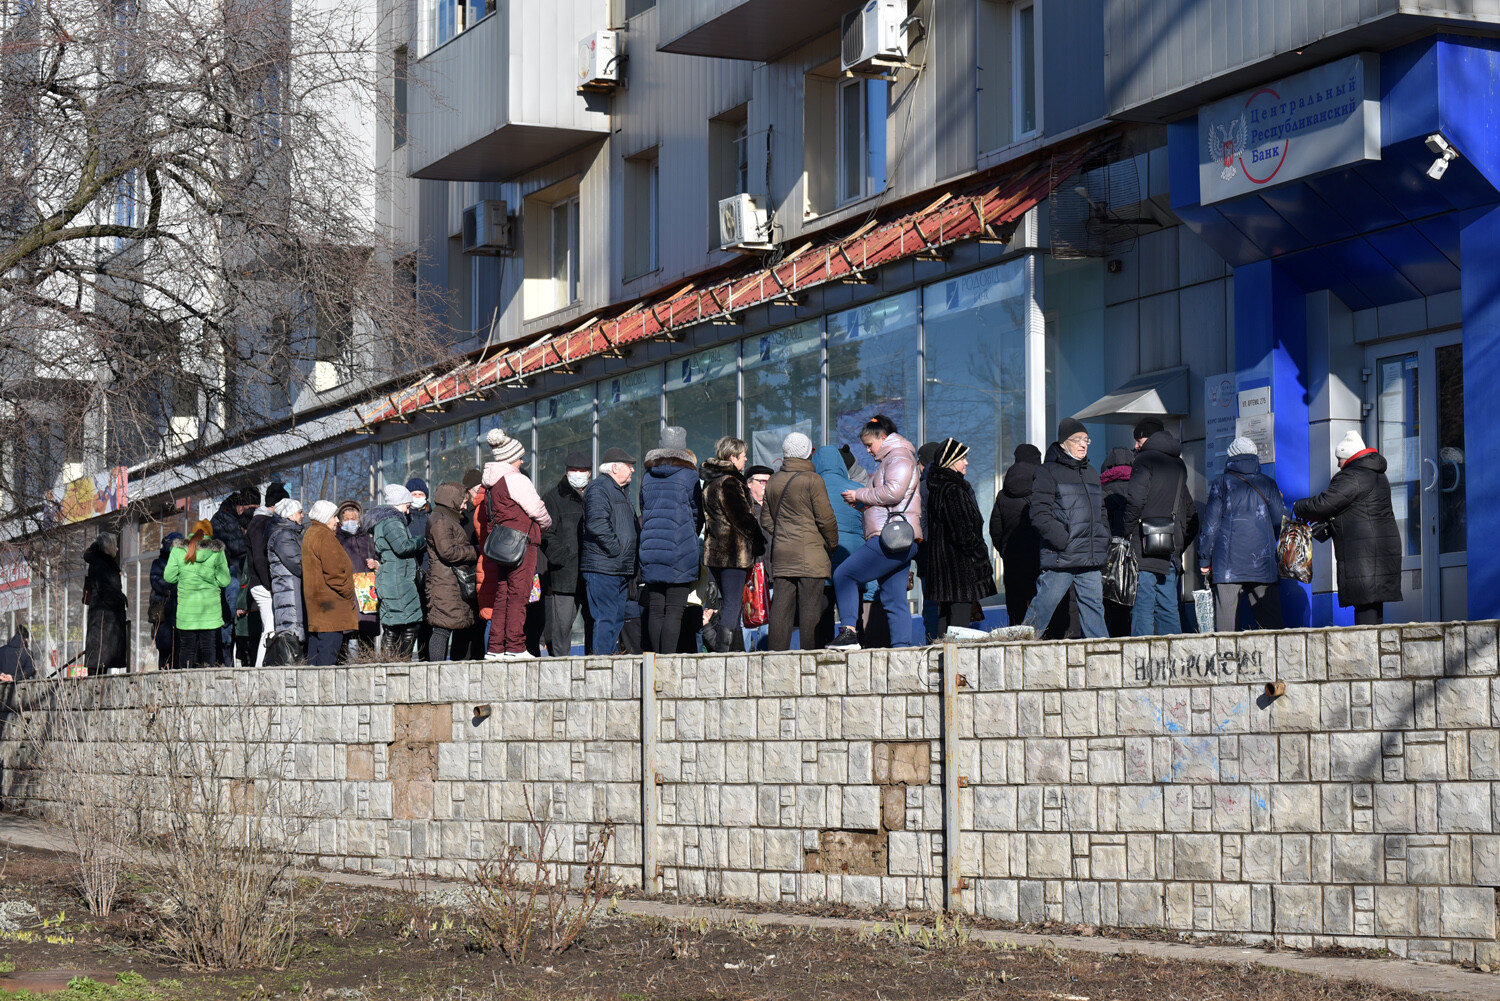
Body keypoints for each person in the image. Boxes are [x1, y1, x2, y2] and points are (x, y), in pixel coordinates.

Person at [827, 415, 922, 651]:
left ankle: (848, 634)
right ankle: (902, 648)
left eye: (870, 444)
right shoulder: (893, 459)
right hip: (897, 538)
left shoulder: (898, 456)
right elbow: (889, 499)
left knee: (844, 575)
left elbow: (893, 493)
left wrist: (859, 495)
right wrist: (860, 504)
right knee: (893, 598)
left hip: (889, 538)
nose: (868, 450)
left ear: (883, 436)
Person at [1293, 430, 1402, 625]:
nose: (1338, 464)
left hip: (1364, 551)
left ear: (1349, 457)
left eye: (1339, 458)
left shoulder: (1354, 476)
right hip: (1380, 547)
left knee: (1365, 605)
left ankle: (1367, 652)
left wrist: (1298, 506)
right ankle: (1376, 652)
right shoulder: (1377, 474)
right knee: (1373, 605)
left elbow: (1325, 503)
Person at [1021, 419, 1110, 639]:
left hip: (1089, 559)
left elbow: (1101, 511)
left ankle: (1103, 660)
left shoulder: (1090, 472)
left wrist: (1102, 537)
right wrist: (1063, 541)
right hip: (1062, 557)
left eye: (1086, 440)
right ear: (1063, 443)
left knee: (1095, 613)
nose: (1083, 444)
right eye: (1077, 440)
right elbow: (1039, 515)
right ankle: (1018, 649)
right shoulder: (1047, 472)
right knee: (1042, 607)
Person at [1199, 437, 1288, 632]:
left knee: (1226, 625)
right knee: (1271, 624)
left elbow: (1211, 525)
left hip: (1227, 563)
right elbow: (1280, 521)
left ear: (1231, 457)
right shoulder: (1268, 483)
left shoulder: (1221, 483)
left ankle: (1226, 660)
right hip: (1262, 561)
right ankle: (1276, 660)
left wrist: (1204, 559)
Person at [1122, 417, 1199, 637]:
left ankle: (1140, 659)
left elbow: (1135, 501)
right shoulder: (1178, 464)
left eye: (1139, 439)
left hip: (1145, 545)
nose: (1136, 445)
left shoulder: (1144, 460)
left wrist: (1125, 532)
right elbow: (1191, 512)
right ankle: (1173, 657)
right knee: (1168, 608)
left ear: (1148, 437)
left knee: (1143, 606)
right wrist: (1178, 543)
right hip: (1169, 547)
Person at [761, 432, 838, 651]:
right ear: (807, 453)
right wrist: (831, 544)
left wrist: (784, 535)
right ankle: (809, 659)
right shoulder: (813, 480)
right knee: (810, 609)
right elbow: (826, 519)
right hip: (812, 554)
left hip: (783, 554)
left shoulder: (774, 480)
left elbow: (766, 519)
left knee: (781, 609)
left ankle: (776, 658)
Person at [481, 428, 552, 660]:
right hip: (522, 542)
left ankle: (495, 647)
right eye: (520, 457)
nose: (522, 461)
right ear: (511, 458)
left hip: (502, 544)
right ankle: (515, 646)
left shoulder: (491, 484)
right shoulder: (515, 479)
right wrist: (546, 523)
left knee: (503, 594)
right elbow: (536, 508)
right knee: (519, 594)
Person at [638, 426, 703, 654]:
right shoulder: (689, 475)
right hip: (680, 550)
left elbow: (643, 509)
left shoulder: (647, 476)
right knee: (675, 609)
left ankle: (654, 661)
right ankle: (668, 660)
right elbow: (697, 515)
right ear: (683, 448)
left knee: (656, 608)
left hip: (651, 548)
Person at [924, 438, 997, 638]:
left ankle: (941, 661)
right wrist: (979, 552)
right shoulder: (953, 490)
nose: (967, 462)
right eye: (962, 458)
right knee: (959, 625)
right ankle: (956, 665)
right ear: (950, 461)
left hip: (945, 569)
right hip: (959, 570)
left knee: (945, 619)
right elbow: (963, 532)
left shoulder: (939, 488)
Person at [701, 436, 763, 653]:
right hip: (732, 552)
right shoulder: (729, 481)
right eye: (743, 455)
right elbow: (742, 517)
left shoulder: (711, 481)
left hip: (716, 551)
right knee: (733, 603)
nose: (746, 459)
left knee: (729, 602)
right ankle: (723, 652)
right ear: (732, 456)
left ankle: (733, 651)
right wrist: (758, 541)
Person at [580, 447, 639, 656]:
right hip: (604, 566)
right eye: (629, 466)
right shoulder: (599, 488)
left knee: (616, 617)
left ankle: (609, 657)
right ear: (614, 467)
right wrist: (617, 550)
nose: (632, 470)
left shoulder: (619, 490)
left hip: (619, 567)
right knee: (605, 616)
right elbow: (597, 524)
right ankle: (602, 663)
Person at [539, 452, 593, 657]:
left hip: (592, 572)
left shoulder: (596, 495)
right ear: (566, 471)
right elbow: (545, 533)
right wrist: (562, 556)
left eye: (582, 471)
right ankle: (559, 669)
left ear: (589, 473)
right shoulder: (553, 498)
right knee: (561, 628)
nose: (578, 474)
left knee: (594, 624)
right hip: (564, 576)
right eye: (574, 470)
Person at [368, 483, 427, 659]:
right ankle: (400, 662)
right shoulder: (392, 521)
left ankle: (389, 662)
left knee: (393, 624)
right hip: (397, 579)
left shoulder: (384, 521)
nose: (408, 511)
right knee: (411, 624)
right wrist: (421, 539)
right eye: (407, 506)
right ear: (398, 504)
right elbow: (402, 547)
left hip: (393, 577)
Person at [164, 521, 232, 669]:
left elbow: (169, 577)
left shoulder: (178, 550)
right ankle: (208, 686)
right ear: (209, 534)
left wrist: (183, 579)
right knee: (208, 648)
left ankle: (185, 685)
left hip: (186, 611)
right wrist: (212, 580)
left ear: (192, 533)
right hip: (210, 610)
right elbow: (225, 580)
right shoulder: (217, 552)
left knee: (187, 648)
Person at [425, 481, 479, 661]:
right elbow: (448, 552)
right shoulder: (440, 520)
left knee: (459, 626)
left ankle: (454, 669)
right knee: (442, 627)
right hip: (444, 583)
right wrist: (475, 551)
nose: (465, 506)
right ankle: (436, 670)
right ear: (452, 500)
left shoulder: (448, 519)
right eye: (462, 501)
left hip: (452, 582)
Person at [301, 500, 356, 666]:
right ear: (326, 518)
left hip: (318, 607)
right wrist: (348, 591)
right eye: (334, 517)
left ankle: (310, 691)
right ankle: (323, 693)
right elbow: (335, 572)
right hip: (331, 608)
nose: (337, 521)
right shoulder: (324, 536)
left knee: (315, 656)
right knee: (327, 659)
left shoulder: (310, 534)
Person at [246, 482, 289, 666]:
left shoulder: (261, 522)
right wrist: (270, 585)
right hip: (263, 583)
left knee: (270, 626)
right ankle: (261, 668)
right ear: (275, 505)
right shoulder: (260, 524)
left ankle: (264, 665)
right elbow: (259, 558)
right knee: (270, 627)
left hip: (262, 582)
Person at [211, 487, 254, 665]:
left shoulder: (229, 518)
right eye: (249, 507)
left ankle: (231, 657)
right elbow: (238, 547)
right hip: (230, 574)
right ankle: (226, 660)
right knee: (229, 619)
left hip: (234, 572)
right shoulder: (224, 519)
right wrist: (251, 541)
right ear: (239, 506)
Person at [335, 499, 381, 659]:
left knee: (367, 634)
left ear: (359, 522)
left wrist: (376, 564)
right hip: (347, 593)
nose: (350, 522)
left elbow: (380, 560)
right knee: (349, 633)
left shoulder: (368, 541)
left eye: (353, 519)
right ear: (340, 522)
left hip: (367, 594)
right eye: (346, 519)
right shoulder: (336, 541)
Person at [1100, 446, 1137, 637]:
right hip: (1136, 553)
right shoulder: (1139, 488)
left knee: (1112, 605)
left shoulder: (1101, 490)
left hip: (1109, 556)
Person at [83, 531, 128, 674]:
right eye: (115, 545)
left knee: (101, 660)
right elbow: (106, 590)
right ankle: (96, 691)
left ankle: (97, 689)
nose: (117, 549)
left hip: (105, 619)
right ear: (108, 546)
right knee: (99, 662)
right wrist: (119, 599)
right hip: (104, 620)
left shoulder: (103, 563)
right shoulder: (101, 564)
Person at [267, 498, 307, 660]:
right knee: (291, 639)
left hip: (292, 593)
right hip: (289, 595)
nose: (303, 516)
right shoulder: (283, 536)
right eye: (299, 512)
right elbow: (299, 564)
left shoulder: (290, 534)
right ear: (290, 515)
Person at [405, 478, 432, 659]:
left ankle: (426, 656)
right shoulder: (405, 518)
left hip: (429, 572)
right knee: (412, 619)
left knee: (428, 618)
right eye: (414, 494)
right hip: (410, 574)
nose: (417, 497)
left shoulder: (432, 516)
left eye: (420, 494)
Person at [149, 531, 184, 670]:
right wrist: (174, 587)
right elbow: (157, 582)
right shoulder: (159, 563)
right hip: (164, 615)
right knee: (165, 652)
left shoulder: (183, 562)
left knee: (179, 651)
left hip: (180, 614)